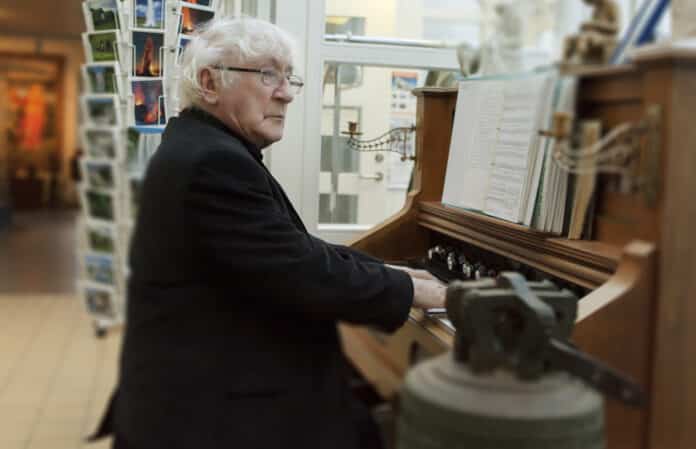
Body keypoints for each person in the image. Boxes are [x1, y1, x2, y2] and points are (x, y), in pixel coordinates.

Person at [91, 17, 446, 449]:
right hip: (207, 413)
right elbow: (300, 269)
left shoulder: (203, 145)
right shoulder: (212, 162)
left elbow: (287, 247)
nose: (287, 93)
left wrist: (395, 273)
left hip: (205, 382)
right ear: (210, 83)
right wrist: (419, 291)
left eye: (288, 77)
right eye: (267, 74)